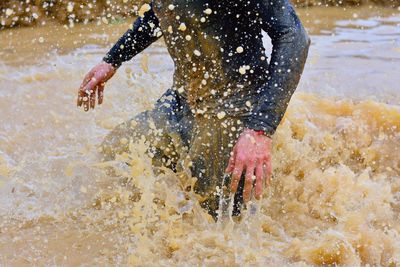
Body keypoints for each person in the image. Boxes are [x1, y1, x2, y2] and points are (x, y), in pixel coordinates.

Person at [77, 0, 310, 219]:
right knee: (116, 154)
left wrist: (260, 129)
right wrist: (112, 61)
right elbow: (160, 12)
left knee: (216, 214)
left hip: (236, 106)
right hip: (181, 99)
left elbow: (294, 36)